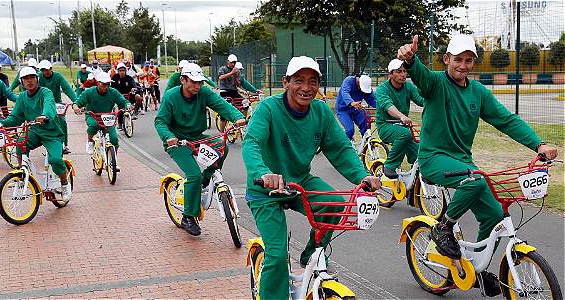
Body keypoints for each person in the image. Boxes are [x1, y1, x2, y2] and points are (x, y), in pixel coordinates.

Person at [396, 34, 558, 261]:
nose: (463, 65)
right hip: (433, 159)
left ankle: (477, 268)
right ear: (446, 59)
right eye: (457, 59)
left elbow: (506, 120)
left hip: (463, 162)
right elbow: (420, 75)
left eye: (468, 60)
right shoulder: (435, 83)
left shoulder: (478, 92)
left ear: (474, 62)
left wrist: (538, 144)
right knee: (476, 180)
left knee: (496, 216)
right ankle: (444, 228)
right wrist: (411, 60)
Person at [242, 56, 381, 299]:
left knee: (336, 203)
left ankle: (312, 252)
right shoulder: (268, 108)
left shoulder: (320, 112)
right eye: (299, 80)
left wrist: (363, 176)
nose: (306, 88)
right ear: (286, 82)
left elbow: (340, 148)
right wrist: (262, 173)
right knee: (276, 254)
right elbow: (251, 142)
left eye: (313, 81)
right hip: (266, 189)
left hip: (299, 182)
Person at [154, 63, 246, 236]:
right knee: (193, 175)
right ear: (183, 80)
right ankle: (188, 217)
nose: (197, 86)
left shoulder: (203, 92)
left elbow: (221, 105)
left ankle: (207, 177)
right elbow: (160, 121)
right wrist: (169, 138)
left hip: (197, 137)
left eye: (200, 82)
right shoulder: (171, 96)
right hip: (177, 142)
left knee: (222, 147)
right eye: (193, 82)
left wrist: (237, 117)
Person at [0, 67, 72, 201]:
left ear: (37, 79)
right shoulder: (22, 97)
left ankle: (64, 184)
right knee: (19, 145)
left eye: (32, 77)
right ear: (21, 82)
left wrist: (44, 116)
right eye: (25, 79)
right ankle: (22, 175)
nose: (29, 81)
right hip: (34, 131)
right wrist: (2, 123)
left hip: (51, 132)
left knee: (56, 160)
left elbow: (49, 107)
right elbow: (16, 117)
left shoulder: (46, 92)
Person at [375, 59, 425, 178]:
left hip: (403, 127)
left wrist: (435, 101)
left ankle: (414, 185)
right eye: (398, 71)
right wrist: (401, 116)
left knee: (421, 154)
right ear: (390, 74)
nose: (403, 74)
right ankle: (390, 165)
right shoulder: (383, 89)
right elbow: (388, 106)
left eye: (404, 71)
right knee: (405, 134)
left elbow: (420, 100)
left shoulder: (408, 86)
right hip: (386, 125)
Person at [73, 73, 132, 155]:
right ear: (98, 83)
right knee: (94, 125)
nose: (106, 87)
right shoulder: (90, 92)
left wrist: (127, 105)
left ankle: (113, 160)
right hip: (92, 115)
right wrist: (76, 107)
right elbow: (78, 102)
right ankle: (90, 141)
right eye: (104, 84)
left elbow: (123, 101)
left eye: (108, 84)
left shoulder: (113, 92)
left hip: (107, 117)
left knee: (114, 139)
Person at [37, 60, 78, 154]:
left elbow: (67, 88)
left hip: (57, 103)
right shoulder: (39, 77)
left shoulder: (58, 76)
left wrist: (75, 102)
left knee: (62, 122)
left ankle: (64, 145)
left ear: (51, 69)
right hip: (44, 103)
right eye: (42, 70)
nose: (44, 72)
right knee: (44, 122)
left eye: (46, 70)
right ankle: (48, 144)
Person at [335, 73, 377, 141]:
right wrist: (351, 102)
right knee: (350, 130)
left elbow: (372, 99)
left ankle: (368, 145)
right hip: (343, 110)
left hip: (357, 108)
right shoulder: (348, 81)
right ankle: (343, 145)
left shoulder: (365, 87)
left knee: (366, 126)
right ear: (358, 81)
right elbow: (345, 93)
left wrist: (383, 107)